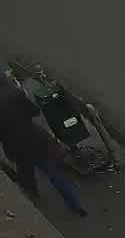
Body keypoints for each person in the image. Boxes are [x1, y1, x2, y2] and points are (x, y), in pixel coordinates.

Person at [0, 77, 85, 217]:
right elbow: (34, 112)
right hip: (36, 141)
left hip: (15, 148)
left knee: (25, 173)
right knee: (55, 174)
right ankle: (75, 206)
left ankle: (33, 196)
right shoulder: (16, 94)